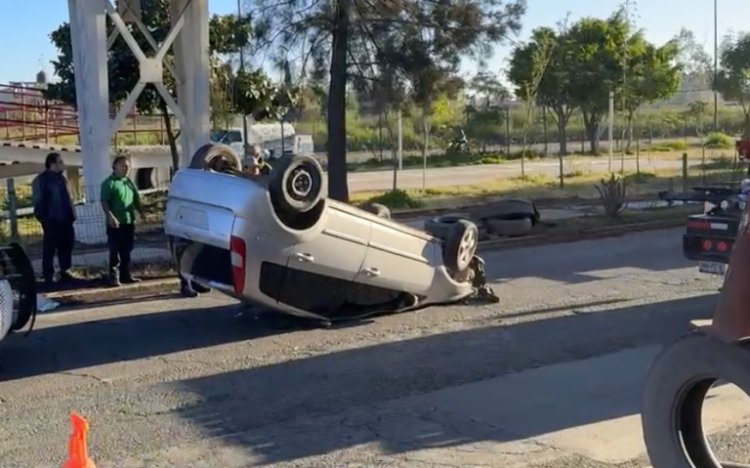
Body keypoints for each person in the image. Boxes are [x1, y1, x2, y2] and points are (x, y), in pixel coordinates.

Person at [32, 152, 77, 288]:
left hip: (66, 220)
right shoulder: (41, 180)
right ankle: (48, 276)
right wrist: (44, 220)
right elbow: (38, 202)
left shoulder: (62, 179)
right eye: (60, 162)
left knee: (66, 247)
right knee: (49, 250)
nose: (63, 165)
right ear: (52, 164)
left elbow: (68, 198)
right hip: (52, 220)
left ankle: (65, 271)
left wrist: (71, 215)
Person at [100, 156, 143, 287]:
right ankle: (114, 277)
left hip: (129, 221)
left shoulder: (129, 182)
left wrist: (141, 211)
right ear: (115, 167)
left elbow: (136, 198)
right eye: (123, 165)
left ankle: (126, 275)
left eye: (127, 166)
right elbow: (104, 201)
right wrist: (110, 216)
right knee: (115, 250)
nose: (126, 168)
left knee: (127, 250)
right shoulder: (109, 183)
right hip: (115, 223)